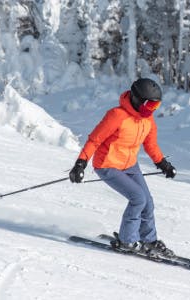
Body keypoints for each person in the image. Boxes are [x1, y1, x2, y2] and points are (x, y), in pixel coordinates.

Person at [69, 78, 176, 256]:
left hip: (130, 165)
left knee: (147, 202)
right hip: (108, 165)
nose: (151, 111)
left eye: (155, 107)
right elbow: (95, 139)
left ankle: (148, 240)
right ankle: (127, 240)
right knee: (138, 198)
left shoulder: (147, 120)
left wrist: (162, 163)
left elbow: (151, 145)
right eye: (149, 106)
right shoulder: (117, 116)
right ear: (137, 99)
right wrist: (81, 163)